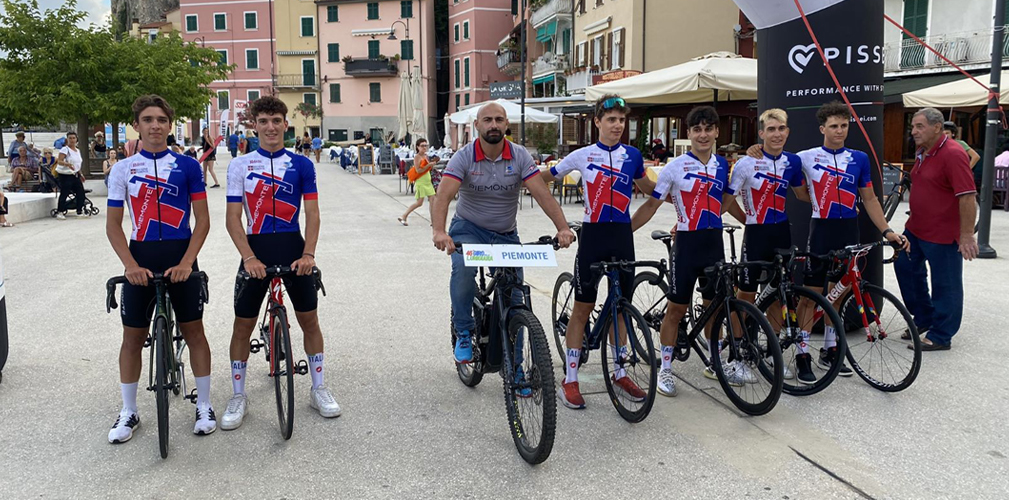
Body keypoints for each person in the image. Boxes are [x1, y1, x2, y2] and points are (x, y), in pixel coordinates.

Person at [221, 96, 339, 429]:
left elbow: (312, 214)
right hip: (255, 251)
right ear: (254, 126)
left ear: (286, 125)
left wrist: (308, 254)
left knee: (309, 321)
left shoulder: (302, 165)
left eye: (276, 121)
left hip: (293, 249)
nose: (270, 127)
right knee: (242, 326)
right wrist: (248, 257)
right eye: (263, 121)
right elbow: (232, 218)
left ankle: (318, 388)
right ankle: (238, 395)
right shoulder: (240, 166)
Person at [105, 94, 215, 443]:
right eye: (148, 120)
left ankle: (205, 404)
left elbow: (202, 221)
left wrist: (187, 262)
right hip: (141, 257)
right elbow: (113, 226)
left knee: (194, 332)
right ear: (136, 126)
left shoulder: (188, 166)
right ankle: (129, 410)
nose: (155, 126)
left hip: (181, 257)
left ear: (170, 125)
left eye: (162, 120)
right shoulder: (123, 169)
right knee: (132, 338)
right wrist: (130, 265)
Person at [432, 102, 575, 368]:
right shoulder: (464, 156)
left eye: (499, 120)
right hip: (469, 228)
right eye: (487, 120)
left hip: (505, 233)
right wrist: (439, 231)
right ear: (477, 125)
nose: (493, 125)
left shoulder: (519, 155)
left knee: (515, 298)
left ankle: (516, 367)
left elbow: (542, 194)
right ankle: (464, 331)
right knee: (463, 269)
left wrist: (562, 227)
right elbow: (444, 195)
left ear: (507, 124)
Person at [539, 95, 655, 409]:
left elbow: (650, 189)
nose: (617, 125)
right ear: (597, 122)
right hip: (593, 237)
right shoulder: (582, 155)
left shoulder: (632, 155)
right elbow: (546, 177)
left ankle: (620, 373)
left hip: (622, 237)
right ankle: (570, 379)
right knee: (583, 307)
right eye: (611, 119)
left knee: (622, 308)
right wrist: (520, 178)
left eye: (622, 120)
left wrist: (674, 193)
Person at [788, 101, 907, 383]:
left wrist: (887, 231)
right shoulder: (805, 157)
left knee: (838, 294)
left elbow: (870, 199)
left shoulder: (859, 158)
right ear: (822, 129)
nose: (839, 130)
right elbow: (785, 172)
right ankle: (802, 353)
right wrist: (755, 150)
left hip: (848, 231)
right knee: (811, 295)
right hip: (821, 230)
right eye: (834, 126)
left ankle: (830, 350)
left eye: (844, 125)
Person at [630, 106, 734, 397]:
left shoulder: (722, 164)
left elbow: (726, 200)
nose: (703, 135)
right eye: (697, 129)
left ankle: (714, 362)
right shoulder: (675, 167)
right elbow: (652, 203)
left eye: (708, 129)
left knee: (714, 308)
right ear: (689, 133)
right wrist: (626, 231)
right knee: (676, 309)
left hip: (713, 243)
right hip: (687, 245)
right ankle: (665, 368)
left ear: (716, 132)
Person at [728, 109, 810, 381]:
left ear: (787, 131)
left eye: (781, 129)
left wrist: (844, 198)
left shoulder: (793, 162)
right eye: (771, 129)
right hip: (755, 234)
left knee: (779, 294)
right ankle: (736, 355)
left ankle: (771, 352)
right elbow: (727, 200)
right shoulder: (746, 163)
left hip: (781, 233)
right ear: (761, 133)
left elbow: (802, 194)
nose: (777, 134)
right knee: (746, 294)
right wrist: (746, 220)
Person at [894, 107, 978, 351]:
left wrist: (966, 235)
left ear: (937, 127)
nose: (913, 131)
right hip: (916, 228)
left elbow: (967, 195)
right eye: (912, 126)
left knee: (946, 284)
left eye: (919, 126)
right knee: (905, 266)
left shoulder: (953, 153)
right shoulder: (923, 151)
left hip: (943, 233)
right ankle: (924, 317)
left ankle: (941, 335)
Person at [398, 139, 437, 226]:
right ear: (418, 147)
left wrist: (431, 166)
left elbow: (427, 169)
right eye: (422, 146)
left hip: (427, 181)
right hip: (421, 181)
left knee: (432, 201)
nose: (424, 147)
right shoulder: (417, 157)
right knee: (419, 202)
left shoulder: (426, 156)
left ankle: (433, 221)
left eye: (426, 145)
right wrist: (428, 165)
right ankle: (404, 216)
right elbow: (418, 170)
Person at [55, 131, 87, 220]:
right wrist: (67, 164)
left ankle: (79, 210)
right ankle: (60, 211)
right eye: (70, 138)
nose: (72, 140)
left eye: (74, 138)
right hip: (65, 174)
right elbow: (59, 161)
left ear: (76, 139)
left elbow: (77, 164)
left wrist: (81, 174)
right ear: (67, 139)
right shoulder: (65, 149)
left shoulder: (77, 150)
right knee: (65, 192)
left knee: (80, 192)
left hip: (75, 174)